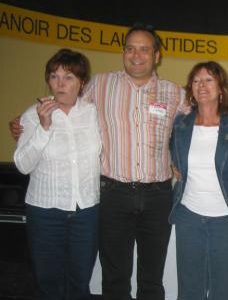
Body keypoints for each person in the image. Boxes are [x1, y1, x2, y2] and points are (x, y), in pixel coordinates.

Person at [9, 24, 188, 300]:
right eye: (130, 48)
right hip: (113, 195)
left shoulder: (175, 93)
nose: (136, 55)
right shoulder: (100, 85)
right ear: (123, 52)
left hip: (158, 195)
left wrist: (181, 160)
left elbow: (200, 122)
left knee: (152, 278)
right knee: (115, 278)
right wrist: (24, 124)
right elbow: (65, 100)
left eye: (144, 49)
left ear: (157, 55)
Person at [14, 48, 100, 300]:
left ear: (82, 83)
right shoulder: (33, 114)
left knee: (80, 282)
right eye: (54, 76)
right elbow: (22, 165)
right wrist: (44, 128)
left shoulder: (93, 113)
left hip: (86, 211)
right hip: (45, 212)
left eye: (69, 77)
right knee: (48, 284)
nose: (60, 83)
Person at [169, 61, 228, 300]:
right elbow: (171, 156)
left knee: (223, 291)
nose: (202, 85)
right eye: (196, 81)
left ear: (221, 88)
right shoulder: (181, 123)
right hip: (189, 217)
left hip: (227, 220)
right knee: (190, 290)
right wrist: (172, 165)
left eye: (209, 80)